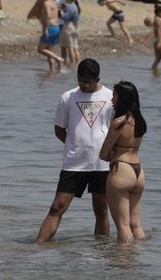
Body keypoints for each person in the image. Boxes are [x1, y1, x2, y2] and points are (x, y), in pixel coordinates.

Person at [35, 58, 113, 243]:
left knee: (101, 209)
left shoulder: (110, 97)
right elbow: (59, 130)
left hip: (102, 164)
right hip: (74, 163)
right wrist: (75, 145)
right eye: (80, 80)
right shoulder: (68, 97)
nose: (84, 85)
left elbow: (116, 129)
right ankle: (37, 247)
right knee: (57, 207)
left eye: (88, 81)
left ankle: (101, 249)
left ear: (98, 78)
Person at [98, 81, 147, 242]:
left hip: (121, 170)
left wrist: (111, 155)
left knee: (123, 226)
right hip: (138, 171)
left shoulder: (119, 122)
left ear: (123, 98)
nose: (112, 99)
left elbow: (103, 154)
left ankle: (122, 262)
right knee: (136, 225)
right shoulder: (139, 121)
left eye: (115, 95)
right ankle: (136, 261)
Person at [58, 0, 82, 65]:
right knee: (75, 47)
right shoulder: (75, 6)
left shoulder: (70, 7)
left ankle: (72, 64)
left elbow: (66, 18)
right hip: (75, 27)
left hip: (69, 27)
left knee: (70, 47)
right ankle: (77, 64)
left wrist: (61, 12)